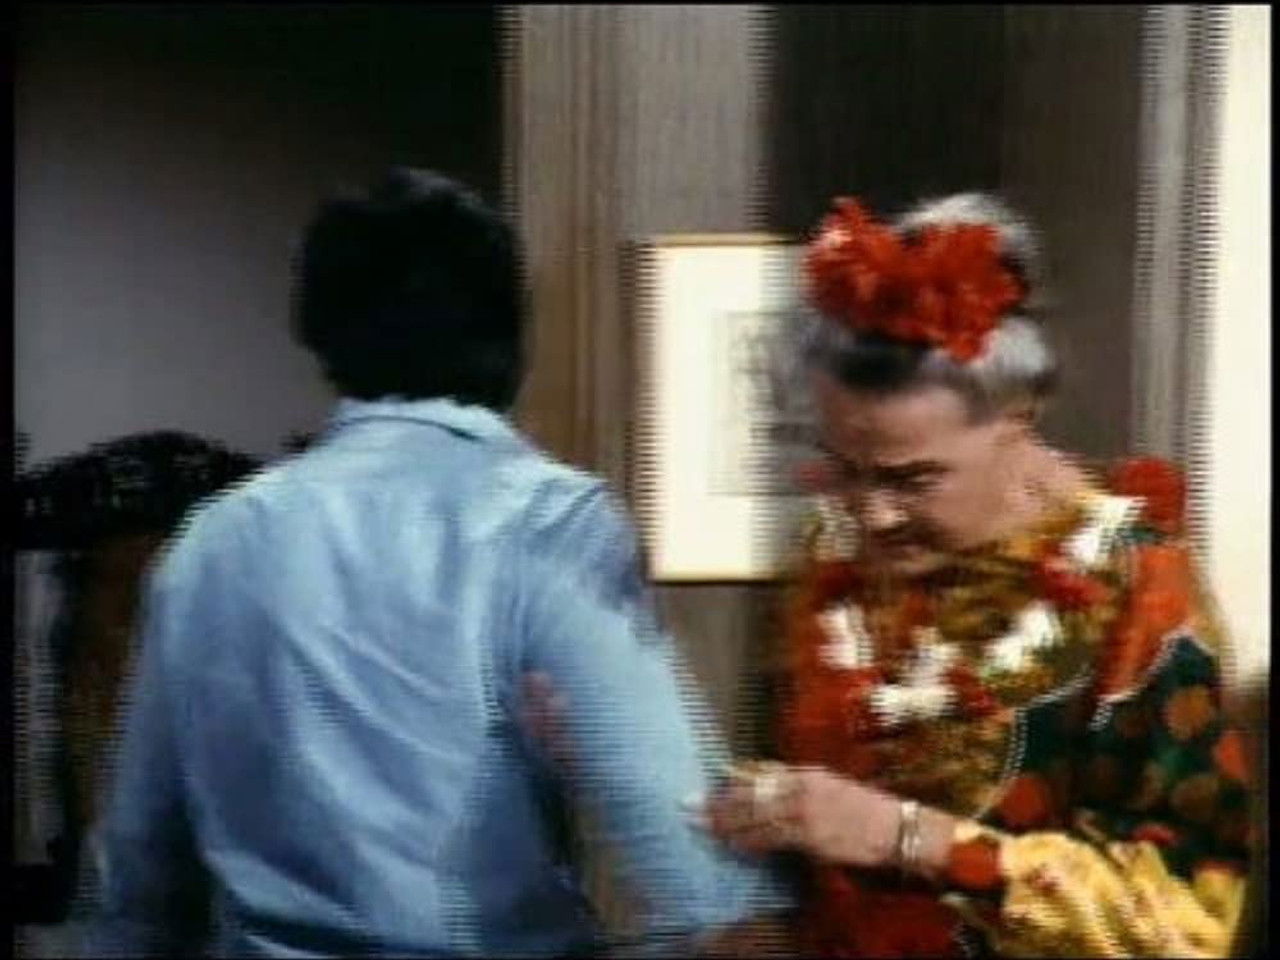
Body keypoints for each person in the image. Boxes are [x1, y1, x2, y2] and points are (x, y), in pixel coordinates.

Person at [85, 168, 792, 958]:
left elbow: (137, 878)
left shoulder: (211, 544)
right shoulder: (547, 523)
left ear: (319, 334)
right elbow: (691, 869)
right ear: (509, 330)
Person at [695, 193, 1254, 957]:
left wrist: (907, 836)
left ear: (1017, 417)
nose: (873, 514)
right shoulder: (836, 555)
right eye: (845, 470)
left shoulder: (1135, 586)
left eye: (914, 480)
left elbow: (1190, 921)